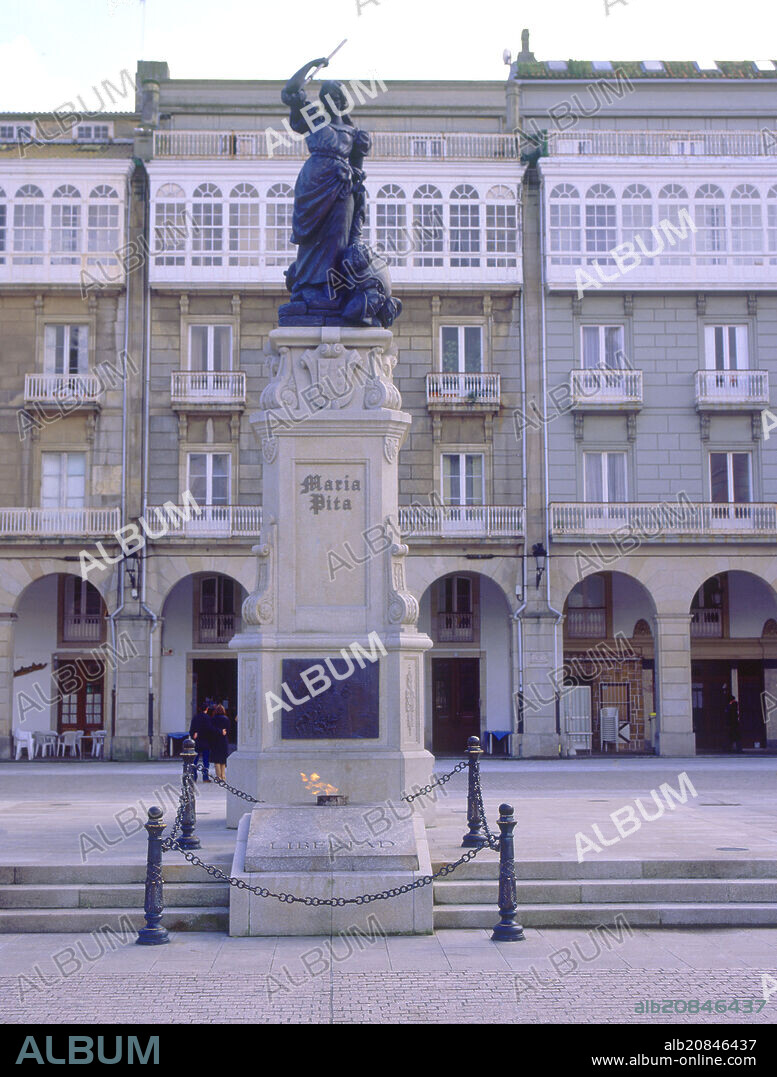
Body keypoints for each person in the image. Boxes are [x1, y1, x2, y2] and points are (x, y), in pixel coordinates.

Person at [189, 703, 212, 782]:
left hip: (197, 742)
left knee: (195, 760)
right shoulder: (207, 718)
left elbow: (191, 730)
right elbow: (209, 729)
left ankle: (194, 777)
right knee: (206, 761)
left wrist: (194, 735)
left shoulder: (195, 718)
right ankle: (205, 777)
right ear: (206, 709)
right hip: (206, 741)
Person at [207, 704, 230, 782]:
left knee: (216, 760)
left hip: (215, 741)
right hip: (223, 740)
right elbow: (229, 729)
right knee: (223, 760)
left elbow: (210, 730)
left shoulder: (212, 719)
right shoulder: (226, 719)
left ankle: (218, 777)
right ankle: (223, 776)